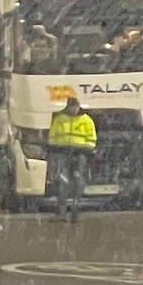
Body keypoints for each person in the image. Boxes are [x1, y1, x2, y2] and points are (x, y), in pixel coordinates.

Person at [46, 96, 98, 224]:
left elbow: (92, 142)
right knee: (63, 183)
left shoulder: (87, 121)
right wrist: (61, 147)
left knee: (77, 183)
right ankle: (62, 212)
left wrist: (79, 148)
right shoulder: (60, 120)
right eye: (71, 107)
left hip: (80, 155)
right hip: (63, 154)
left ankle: (75, 212)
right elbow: (52, 139)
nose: (73, 109)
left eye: (75, 107)